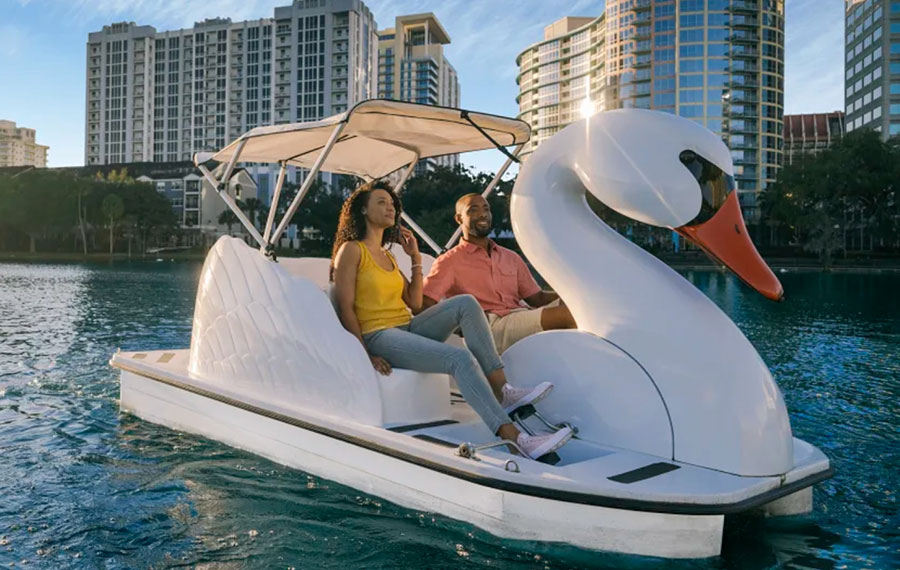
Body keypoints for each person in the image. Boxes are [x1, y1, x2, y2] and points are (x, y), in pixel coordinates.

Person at [330, 181, 573, 460]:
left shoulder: (387, 255)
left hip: (407, 328)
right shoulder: (351, 250)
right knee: (458, 359)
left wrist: (414, 258)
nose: (390, 208)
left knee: (467, 303)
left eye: (392, 204)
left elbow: (415, 302)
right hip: (379, 336)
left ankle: (503, 391)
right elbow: (344, 306)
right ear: (362, 210)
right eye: (382, 202)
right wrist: (365, 353)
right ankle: (514, 438)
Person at [422, 193, 577, 354]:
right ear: (459, 219)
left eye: (486, 209)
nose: (482, 214)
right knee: (570, 315)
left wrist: (573, 297)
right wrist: (458, 324)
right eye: (473, 210)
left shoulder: (510, 257)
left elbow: (537, 298)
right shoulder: (449, 261)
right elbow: (426, 303)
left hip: (520, 314)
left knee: (581, 307)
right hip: (490, 327)